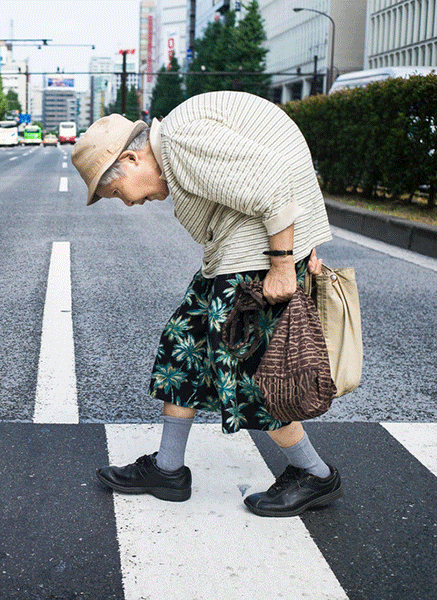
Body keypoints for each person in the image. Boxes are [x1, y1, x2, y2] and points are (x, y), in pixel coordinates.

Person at [71, 91, 342, 517]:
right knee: (183, 346)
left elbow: (272, 179)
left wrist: (284, 263)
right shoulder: (178, 143)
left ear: (131, 160)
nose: (128, 203)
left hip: (256, 256)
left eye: (117, 192)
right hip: (241, 249)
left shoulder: (180, 141)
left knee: (250, 372)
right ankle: (168, 470)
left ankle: (315, 475)